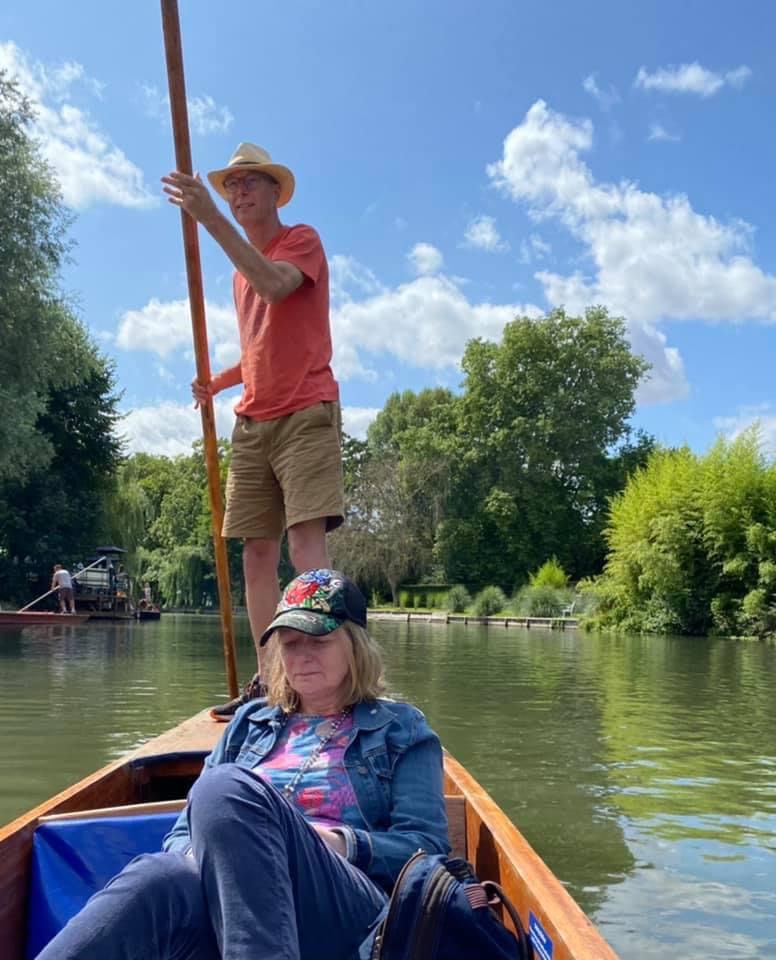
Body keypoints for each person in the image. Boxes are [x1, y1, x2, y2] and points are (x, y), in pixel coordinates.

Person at [36, 569, 450, 960]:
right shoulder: (250, 723)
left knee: (224, 789)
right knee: (158, 877)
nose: (302, 655)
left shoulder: (400, 730)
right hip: (237, 911)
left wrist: (338, 842)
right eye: (290, 643)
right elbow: (181, 833)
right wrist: (213, 860)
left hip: (351, 916)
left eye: (319, 640)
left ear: (355, 644)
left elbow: (427, 848)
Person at [162, 144, 344, 719]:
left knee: (304, 544)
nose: (238, 194)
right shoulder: (241, 275)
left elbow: (274, 285)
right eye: (230, 186)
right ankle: (271, 681)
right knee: (255, 553)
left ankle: (330, 680)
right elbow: (260, 347)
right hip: (252, 421)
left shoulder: (301, 241)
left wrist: (207, 217)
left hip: (306, 413)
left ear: (274, 193)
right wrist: (217, 383)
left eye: (249, 183)